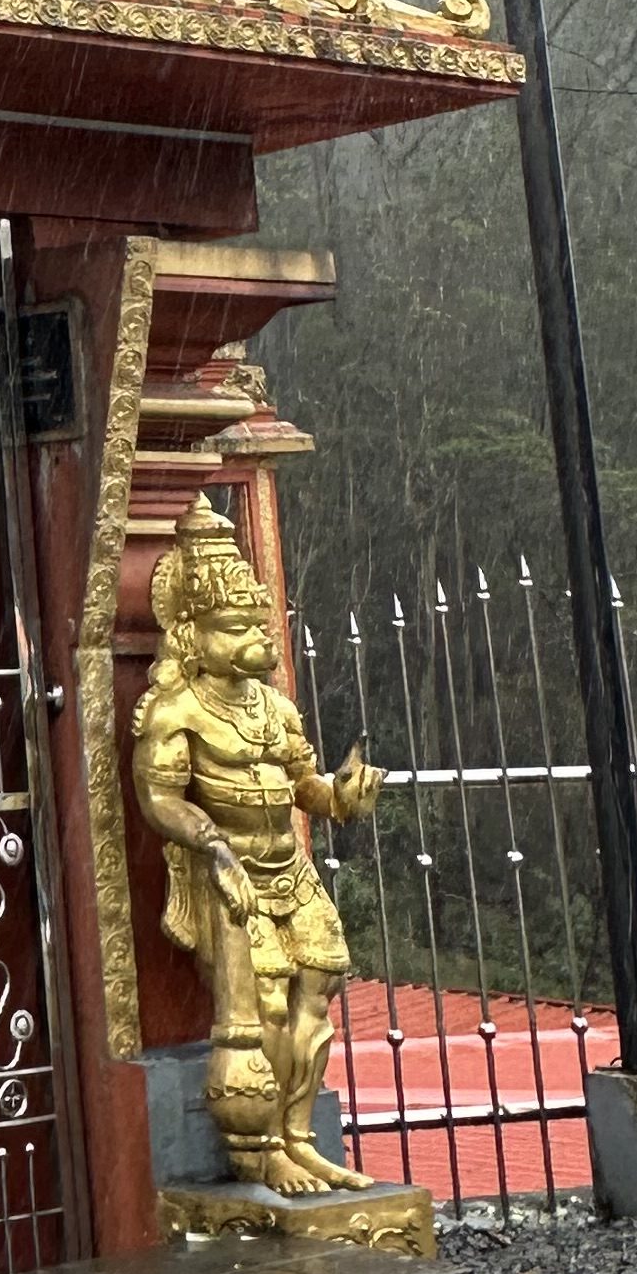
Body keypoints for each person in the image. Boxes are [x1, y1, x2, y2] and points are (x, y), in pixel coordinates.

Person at [129, 496, 380, 1193]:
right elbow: (158, 798)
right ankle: (258, 1146)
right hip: (228, 870)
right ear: (192, 633)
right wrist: (213, 849)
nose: (257, 641)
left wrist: (342, 797)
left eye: (258, 625)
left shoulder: (273, 706)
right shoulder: (176, 709)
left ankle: (299, 1137)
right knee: (259, 1009)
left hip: (288, 867)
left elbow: (306, 784)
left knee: (317, 992)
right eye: (234, 627)